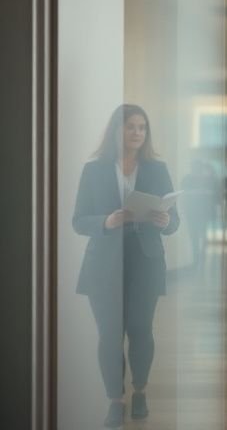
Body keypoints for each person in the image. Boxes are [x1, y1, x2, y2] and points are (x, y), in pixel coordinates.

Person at [72, 104, 180, 428]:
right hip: (104, 261)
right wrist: (108, 219)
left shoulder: (157, 169)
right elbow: (78, 220)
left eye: (141, 128)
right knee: (109, 334)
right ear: (116, 130)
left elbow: (174, 221)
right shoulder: (94, 170)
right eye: (130, 126)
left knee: (140, 329)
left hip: (145, 260)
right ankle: (115, 401)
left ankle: (140, 391)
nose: (136, 133)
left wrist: (164, 220)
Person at [181, 159, 217, 269]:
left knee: (202, 236)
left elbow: (214, 193)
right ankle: (196, 260)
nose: (197, 170)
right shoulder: (187, 179)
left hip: (202, 212)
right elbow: (183, 194)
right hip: (192, 213)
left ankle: (201, 259)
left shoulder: (207, 179)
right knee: (194, 237)